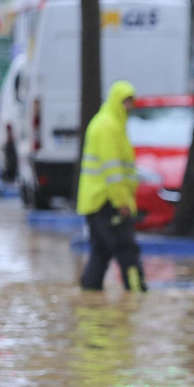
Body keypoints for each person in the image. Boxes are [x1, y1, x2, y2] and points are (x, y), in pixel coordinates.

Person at [77, 80, 146, 292]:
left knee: (101, 252)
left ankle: (89, 296)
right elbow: (113, 172)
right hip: (106, 202)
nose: (130, 106)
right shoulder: (109, 126)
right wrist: (122, 202)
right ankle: (137, 295)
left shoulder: (110, 123)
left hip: (98, 202)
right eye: (126, 101)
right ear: (117, 101)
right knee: (127, 252)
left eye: (131, 101)